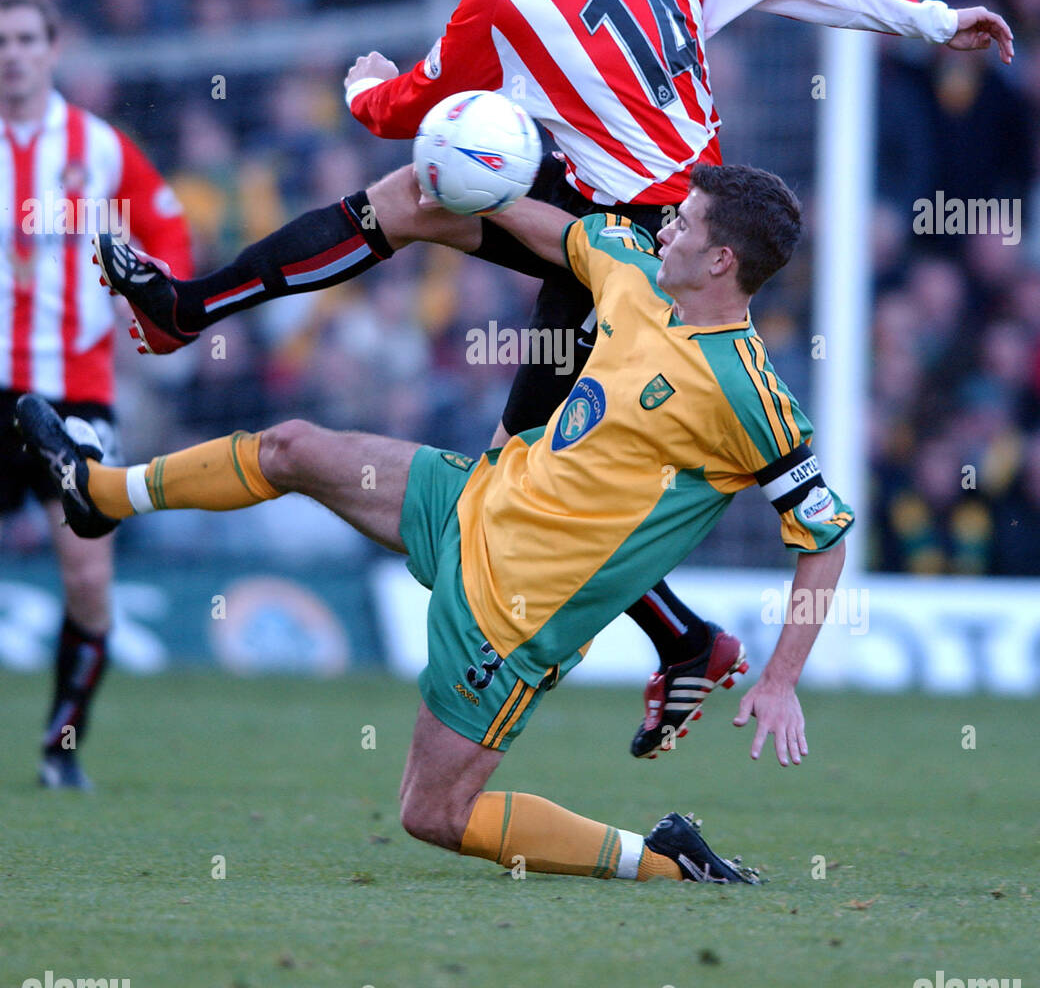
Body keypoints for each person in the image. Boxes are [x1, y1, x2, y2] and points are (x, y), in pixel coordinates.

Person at [91, 0, 1009, 757]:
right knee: (416, 199)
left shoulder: (505, 0)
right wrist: (933, 20)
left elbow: (400, 110)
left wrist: (365, 86)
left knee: (504, 480)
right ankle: (186, 308)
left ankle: (649, 648)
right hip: (656, 233)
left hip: (637, 271)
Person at [20, 164, 849, 883]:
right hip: (467, 502)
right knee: (291, 448)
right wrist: (462, 167)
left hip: (509, 620)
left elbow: (825, 539)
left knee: (433, 813)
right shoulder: (631, 267)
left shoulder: (750, 398)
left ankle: (667, 862)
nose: (663, 224)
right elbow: (539, 224)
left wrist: (779, 681)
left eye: (685, 220)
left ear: (721, 260)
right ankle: (99, 493)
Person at [0, 0, 192, 789]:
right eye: (1, 42)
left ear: (52, 49)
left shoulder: (99, 147)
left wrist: (148, 299)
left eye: (25, 40)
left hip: (77, 388)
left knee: (88, 577)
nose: (12, 54)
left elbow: (169, 226)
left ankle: (61, 748)